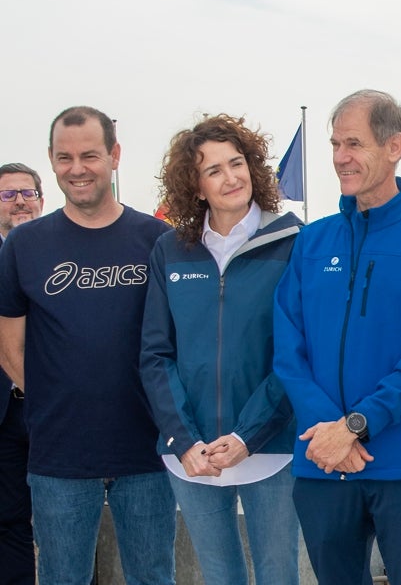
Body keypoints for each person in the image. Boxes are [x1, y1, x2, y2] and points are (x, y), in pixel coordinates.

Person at [274, 89, 401, 585]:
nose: (341, 157)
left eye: (354, 144)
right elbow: (287, 348)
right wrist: (330, 432)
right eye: (336, 144)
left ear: (394, 146)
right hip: (322, 462)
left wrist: (357, 425)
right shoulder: (312, 242)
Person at [0, 106, 175, 585]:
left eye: (90, 155)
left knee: (154, 577)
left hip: (148, 451)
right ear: (52, 161)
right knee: (61, 578)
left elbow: (175, 343)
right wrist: (57, 404)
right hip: (59, 456)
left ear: (114, 156)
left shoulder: (157, 240)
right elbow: (9, 347)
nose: (77, 169)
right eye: (65, 157)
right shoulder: (24, 246)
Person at [140, 115, 303, 585]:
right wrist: (183, 439)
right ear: (195, 185)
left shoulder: (293, 241)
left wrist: (248, 436)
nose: (231, 177)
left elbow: (296, 354)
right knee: (219, 576)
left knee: (278, 575)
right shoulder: (170, 250)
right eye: (213, 170)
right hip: (190, 455)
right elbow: (154, 354)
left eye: (237, 163)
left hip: (270, 448)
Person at [0, 163, 43, 585]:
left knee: (68, 517)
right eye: (8, 194)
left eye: (27, 193)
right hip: (5, 413)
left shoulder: (58, 252)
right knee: (8, 519)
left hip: (60, 410)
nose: (19, 201)